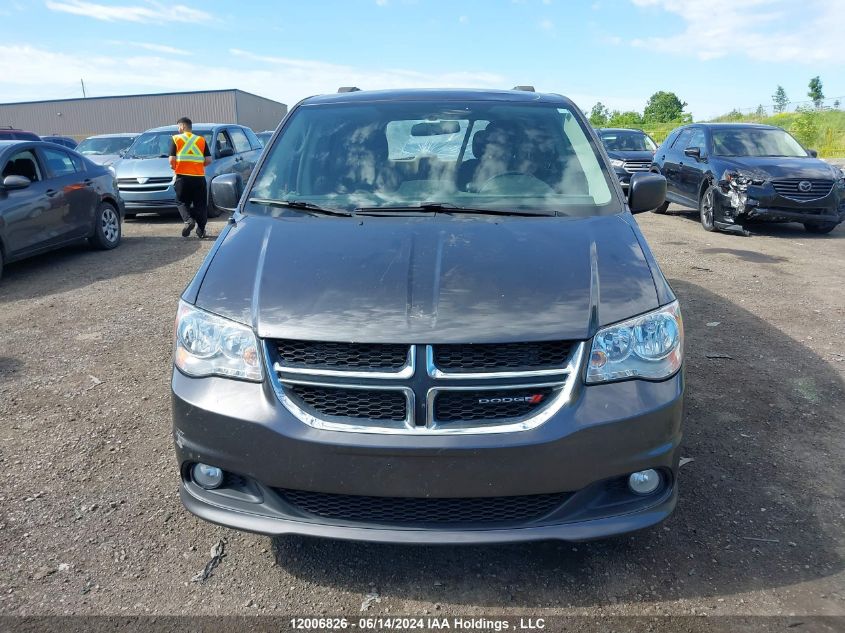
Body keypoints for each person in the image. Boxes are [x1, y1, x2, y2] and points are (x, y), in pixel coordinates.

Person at [169, 117, 212, 238]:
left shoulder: (176, 139)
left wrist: (175, 167)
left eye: (178, 127)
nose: (178, 129)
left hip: (182, 177)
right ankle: (201, 230)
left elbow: (171, 160)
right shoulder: (201, 140)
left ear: (182, 126)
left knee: (181, 201)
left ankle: (188, 220)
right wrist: (197, 165)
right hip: (198, 177)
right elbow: (208, 160)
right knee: (200, 204)